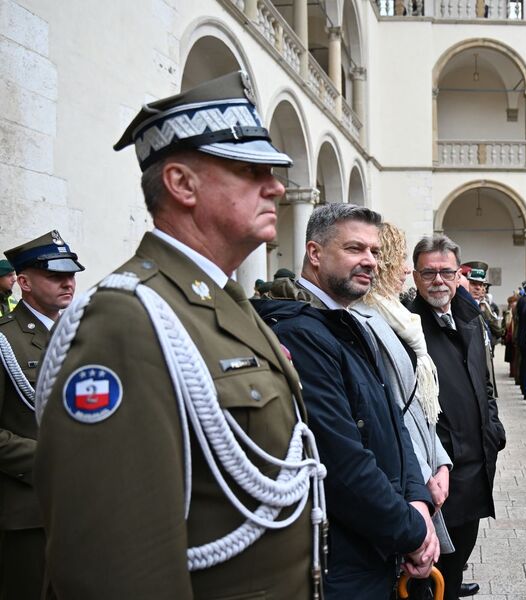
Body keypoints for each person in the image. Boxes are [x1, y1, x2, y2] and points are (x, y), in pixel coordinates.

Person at [33, 72, 325, 598]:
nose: (277, 186)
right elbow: (117, 568)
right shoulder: (127, 321)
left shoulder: (224, 301)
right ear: (181, 184)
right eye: (249, 169)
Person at [260, 204, 439, 597]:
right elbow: (341, 464)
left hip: (378, 549)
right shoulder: (300, 331)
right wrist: (412, 531)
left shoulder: (348, 321)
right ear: (315, 254)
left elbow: (393, 423)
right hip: (343, 562)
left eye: (375, 251)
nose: (370, 261)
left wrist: (418, 500)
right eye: (355, 249)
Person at [409, 234, 506, 600]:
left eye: (446, 272)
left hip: (476, 469)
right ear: (416, 277)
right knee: (428, 578)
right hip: (439, 478)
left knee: (455, 566)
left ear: (458, 275)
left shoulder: (468, 317)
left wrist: (494, 430)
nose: (439, 280)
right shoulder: (409, 328)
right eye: (429, 272)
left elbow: (485, 382)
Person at [354, 222, 455, 558]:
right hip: (407, 470)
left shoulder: (400, 317)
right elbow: (394, 409)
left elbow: (424, 408)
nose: (406, 270)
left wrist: (441, 462)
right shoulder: (368, 319)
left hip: (426, 460)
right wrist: (424, 474)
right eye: (399, 258)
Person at [0, 231, 84, 599]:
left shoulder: (81, 333)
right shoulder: (5, 341)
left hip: (82, 504)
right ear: (23, 282)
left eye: (71, 274)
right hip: (28, 510)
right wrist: (54, 459)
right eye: (55, 275)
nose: (68, 282)